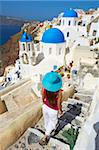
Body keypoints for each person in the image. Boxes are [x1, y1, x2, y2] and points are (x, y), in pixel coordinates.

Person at [39, 71, 63, 145]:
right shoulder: (59, 92)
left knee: (46, 119)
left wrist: (43, 102)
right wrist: (60, 110)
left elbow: (42, 95)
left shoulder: (45, 88)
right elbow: (58, 103)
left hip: (45, 106)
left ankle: (47, 129)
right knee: (53, 122)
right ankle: (45, 136)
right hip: (53, 109)